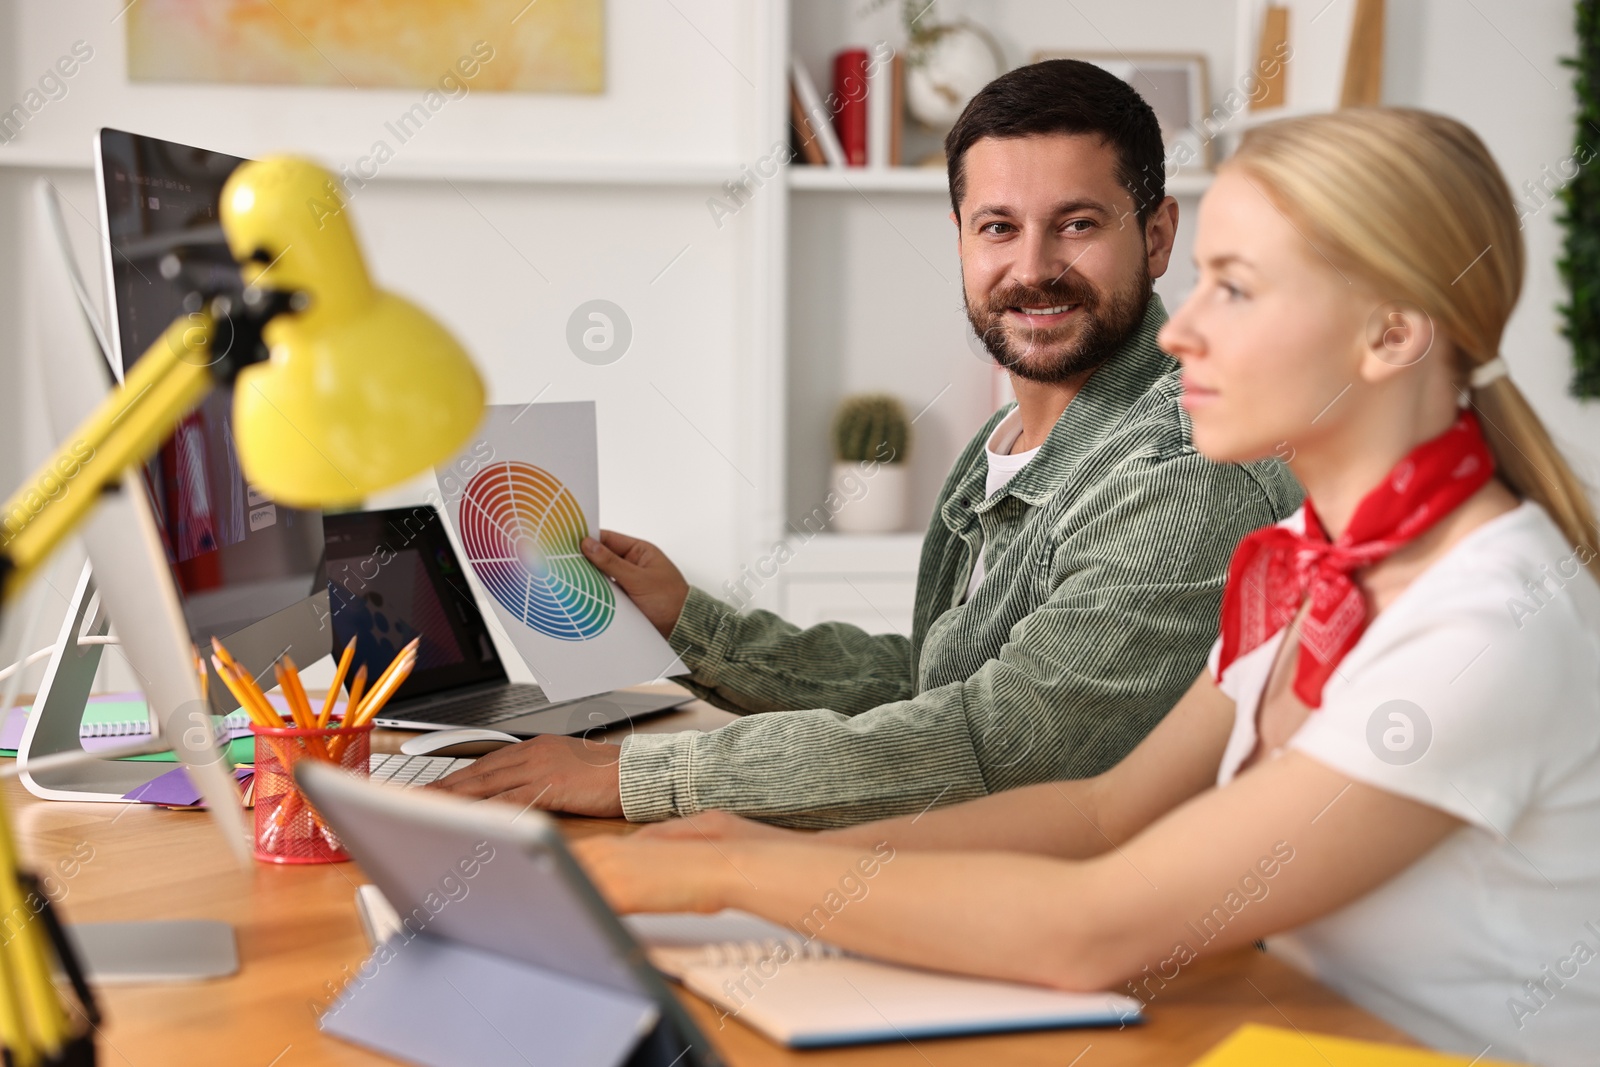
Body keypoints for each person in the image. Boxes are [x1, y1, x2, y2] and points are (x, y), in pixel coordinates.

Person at [571, 108, 1600, 1067]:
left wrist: (725, 873)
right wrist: (749, 843)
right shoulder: (1306, 553)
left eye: (1234, 288)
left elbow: (1094, 923)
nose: (1175, 330)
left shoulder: (1483, 619)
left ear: (1388, 334)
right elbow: (1104, 812)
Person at [433, 60, 1299, 825]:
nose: (1033, 267)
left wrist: (638, 774)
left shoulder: (1186, 470)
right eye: (998, 226)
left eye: (1077, 224)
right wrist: (691, 624)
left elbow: (1001, 742)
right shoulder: (1009, 441)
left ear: (1154, 237)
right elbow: (935, 684)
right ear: (960, 239)